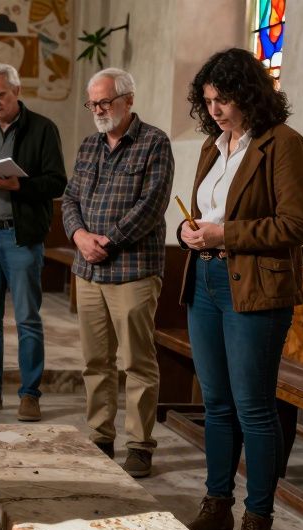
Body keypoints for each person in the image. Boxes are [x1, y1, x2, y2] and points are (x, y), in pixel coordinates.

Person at [178, 48, 303, 530]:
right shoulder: (215, 146)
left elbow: (297, 226)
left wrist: (224, 233)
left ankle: (259, 523)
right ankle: (217, 507)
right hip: (207, 279)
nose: (215, 110)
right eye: (209, 100)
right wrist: (190, 231)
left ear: (251, 94)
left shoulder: (283, 145)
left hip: (255, 285)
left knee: (253, 408)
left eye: (225, 99)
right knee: (215, 404)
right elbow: (203, 213)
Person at [61, 68, 174, 478]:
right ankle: (100, 434)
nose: (98, 110)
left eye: (105, 102)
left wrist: (106, 240)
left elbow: (152, 204)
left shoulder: (154, 142)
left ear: (128, 100)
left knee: (137, 362)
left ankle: (141, 443)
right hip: (87, 270)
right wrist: (78, 235)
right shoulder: (90, 145)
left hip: (132, 269)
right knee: (95, 360)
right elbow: (70, 197)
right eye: (93, 103)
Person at [0, 63, 67, 420]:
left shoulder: (42, 129)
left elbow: (56, 182)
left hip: (20, 238)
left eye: (0, 94)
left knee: (27, 319)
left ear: (16, 91)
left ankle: (29, 394)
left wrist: (20, 185)